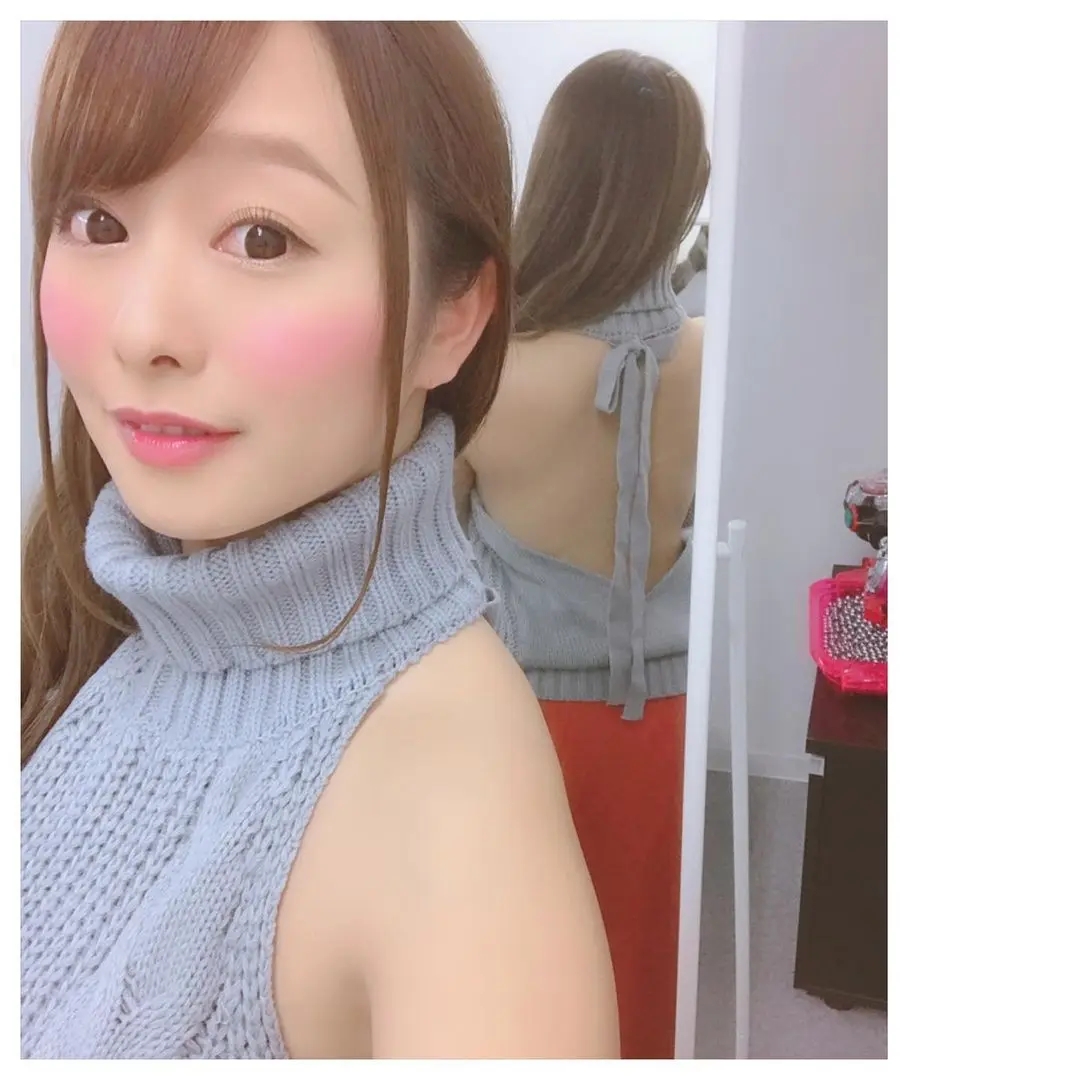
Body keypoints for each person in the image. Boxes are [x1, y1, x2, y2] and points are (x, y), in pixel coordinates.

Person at [20, 21, 619, 1060]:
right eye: (96, 220)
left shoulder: (449, 815)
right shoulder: (112, 617)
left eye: (262, 238)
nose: (141, 331)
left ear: (452, 315)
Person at [454, 50, 710, 1059]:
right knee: (644, 976)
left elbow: (433, 561)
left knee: (515, 987)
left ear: (554, 177)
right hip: (666, 723)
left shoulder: (489, 372)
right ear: (685, 188)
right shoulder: (711, 360)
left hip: (517, 721)